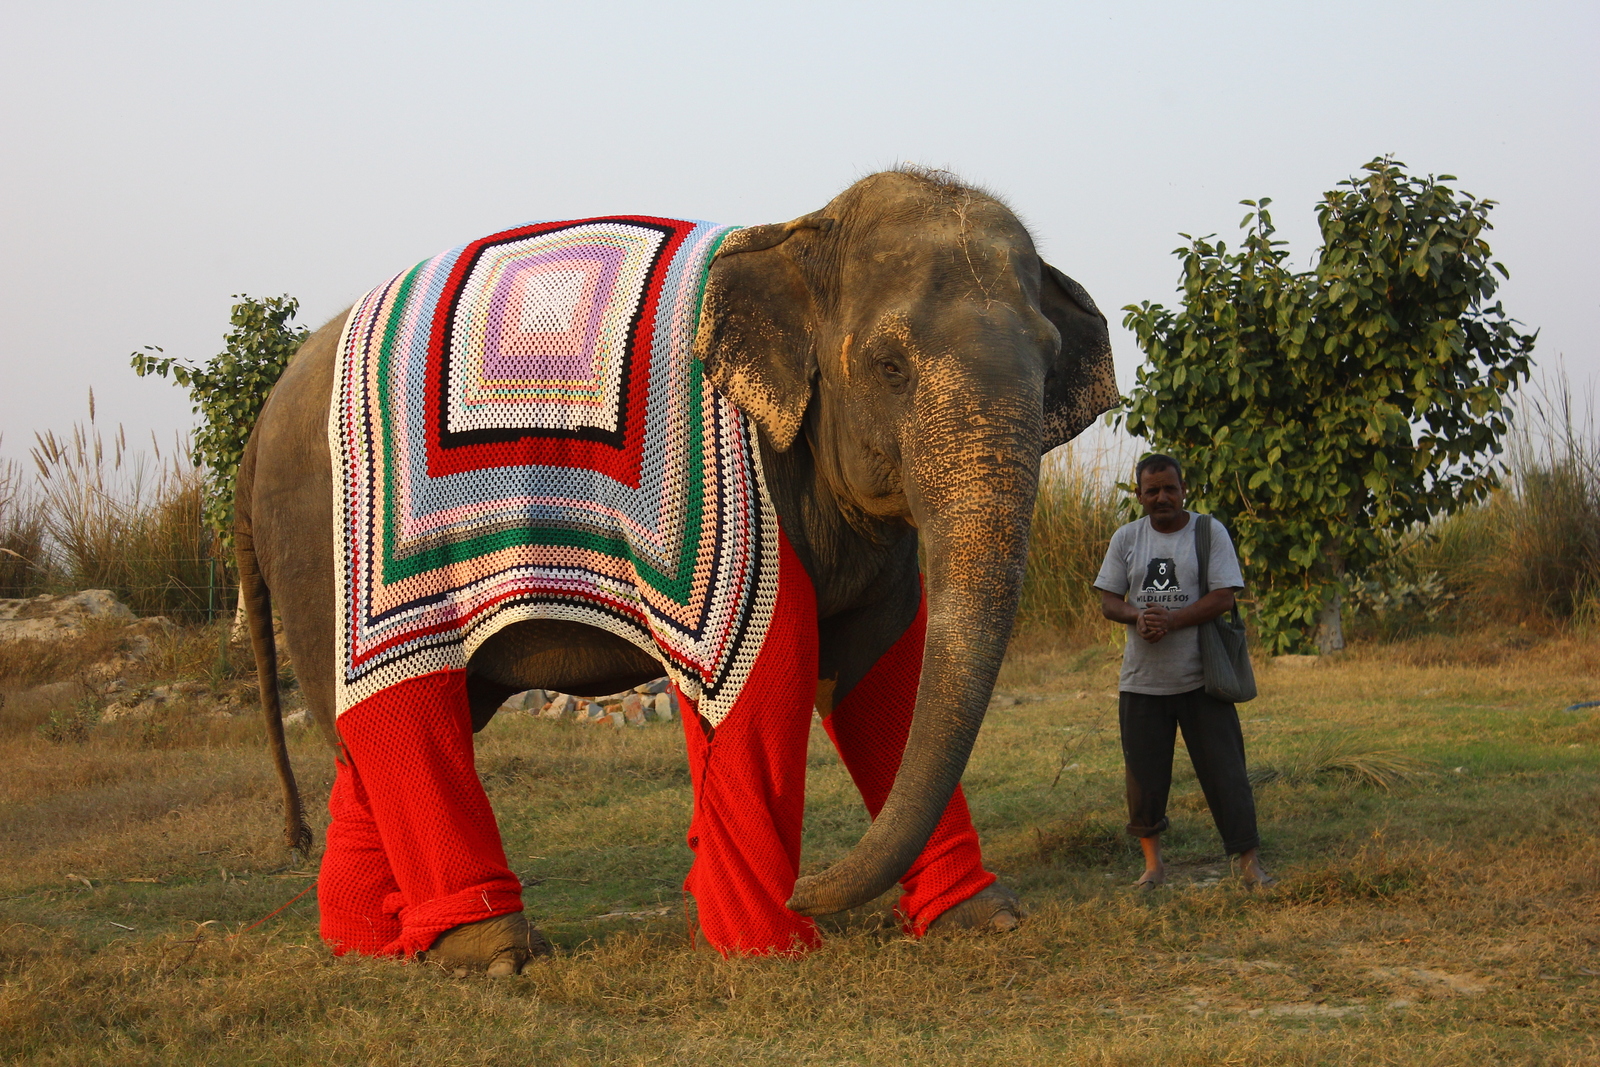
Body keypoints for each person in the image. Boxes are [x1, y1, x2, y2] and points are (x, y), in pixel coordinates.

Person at [1093, 453, 1273, 888]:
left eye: (1169, 488)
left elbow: (1225, 596)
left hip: (1202, 679)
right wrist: (1136, 616)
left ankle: (1250, 864)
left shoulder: (1209, 533)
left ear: (1184, 489)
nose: (1161, 497)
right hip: (1142, 682)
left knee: (1226, 773)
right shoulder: (1126, 538)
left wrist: (1171, 621)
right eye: (1151, 490)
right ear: (1139, 495)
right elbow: (1108, 600)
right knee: (1144, 780)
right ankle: (1153, 868)